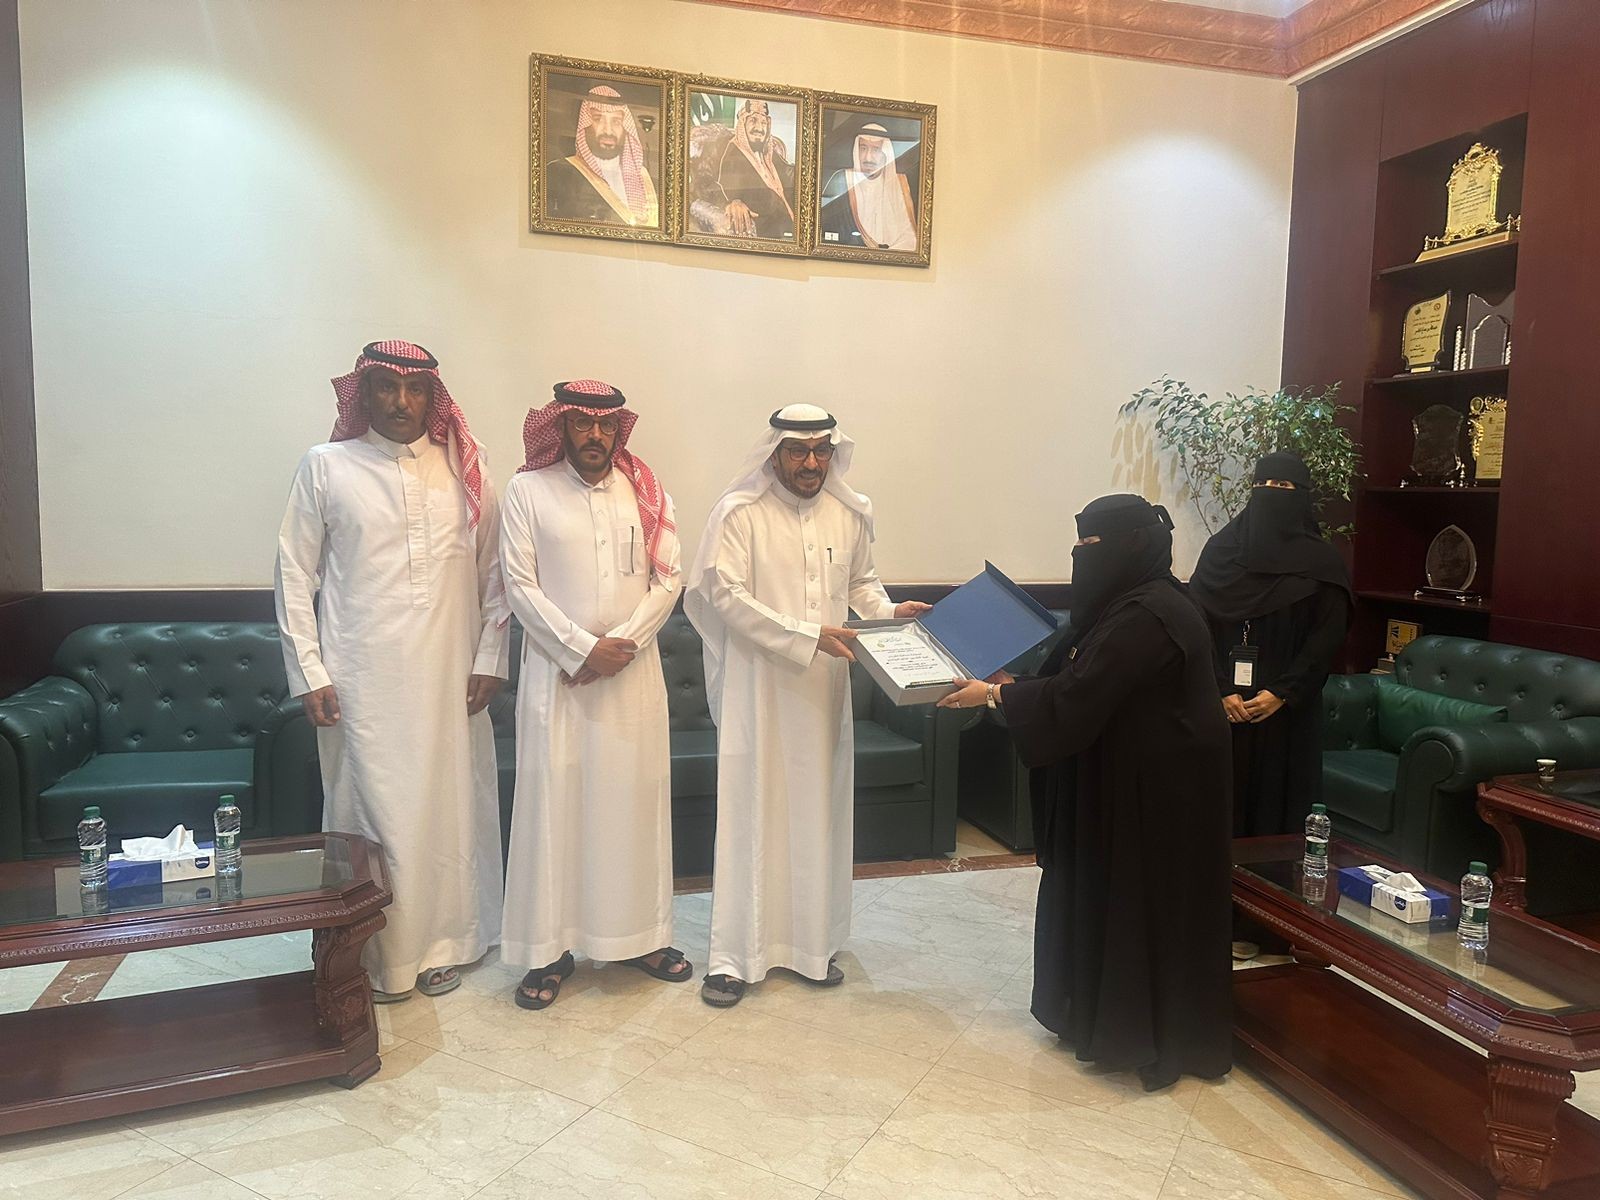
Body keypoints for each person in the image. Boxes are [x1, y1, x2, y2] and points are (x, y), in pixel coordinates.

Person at [939, 495, 1233, 1092]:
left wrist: (994, 696)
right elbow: (1077, 678)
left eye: (1091, 545)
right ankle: (1096, 1019)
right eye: (1077, 544)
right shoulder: (1129, 603)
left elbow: (1081, 693)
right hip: (1127, 783)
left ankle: (1141, 1034)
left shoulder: (1149, 614)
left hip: (1156, 798)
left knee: (1138, 907)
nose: (1080, 557)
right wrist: (1014, 684)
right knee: (1108, 897)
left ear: (1132, 544)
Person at [275, 340, 509, 1003]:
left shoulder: (466, 469)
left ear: (433, 397)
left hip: (451, 677)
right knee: (370, 813)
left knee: (448, 809)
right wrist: (308, 671)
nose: (401, 402)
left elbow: (496, 575)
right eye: (385, 387)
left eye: (415, 389)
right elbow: (293, 573)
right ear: (364, 392)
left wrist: (491, 659)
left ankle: (448, 944)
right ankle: (374, 953)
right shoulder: (326, 466)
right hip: (360, 678)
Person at [685, 405, 930, 1007]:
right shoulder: (739, 513)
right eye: (798, 451)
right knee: (751, 812)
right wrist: (806, 634)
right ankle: (733, 958)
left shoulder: (850, 512)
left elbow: (861, 584)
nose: (811, 462)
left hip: (823, 689)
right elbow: (724, 594)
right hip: (759, 687)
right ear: (775, 454)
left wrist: (888, 612)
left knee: (817, 813)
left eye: (822, 450)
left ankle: (810, 948)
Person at [498, 380, 691, 1009]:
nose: (595, 436)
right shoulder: (528, 491)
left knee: (632, 804)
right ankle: (549, 949)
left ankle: (639, 938)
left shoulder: (648, 491)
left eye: (606, 425)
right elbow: (519, 585)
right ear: (561, 426)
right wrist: (581, 649)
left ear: (618, 430)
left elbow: (669, 579)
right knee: (555, 808)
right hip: (558, 681)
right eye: (582, 423)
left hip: (632, 679)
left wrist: (617, 649)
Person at [1188, 452, 1352, 958]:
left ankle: (1272, 926)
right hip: (1225, 713)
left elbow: (1327, 637)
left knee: (1280, 815)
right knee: (1222, 809)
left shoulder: (1321, 563)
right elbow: (1196, 627)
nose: (1273, 493)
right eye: (1265, 483)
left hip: (1287, 717)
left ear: (1302, 497)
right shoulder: (1221, 553)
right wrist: (1221, 689)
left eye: (1285, 486)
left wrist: (1282, 692)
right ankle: (1215, 919)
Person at [545, 84, 660, 227]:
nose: (608, 131)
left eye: (616, 121)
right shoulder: (559, 172)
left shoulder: (649, 180)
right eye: (598, 119)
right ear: (586, 124)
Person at [706, 98, 796, 240]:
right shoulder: (732, 154)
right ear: (743, 124)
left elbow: (790, 174)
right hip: (768, 235)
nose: (759, 128)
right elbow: (715, 186)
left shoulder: (770, 154)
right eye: (753, 121)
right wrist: (733, 202)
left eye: (764, 123)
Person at [819, 123, 918, 252]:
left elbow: (911, 237)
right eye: (863, 148)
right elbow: (827, 230)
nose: (868, 158)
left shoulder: (901, 185)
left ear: (886, 153)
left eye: (876, 150)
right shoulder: (842, 180)